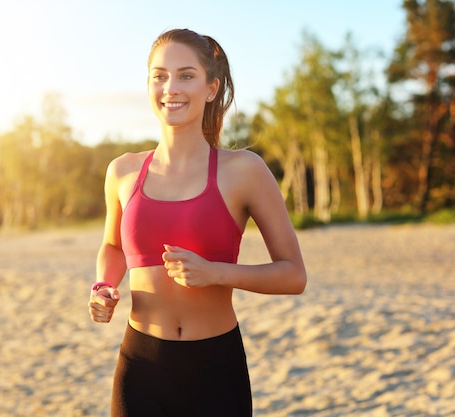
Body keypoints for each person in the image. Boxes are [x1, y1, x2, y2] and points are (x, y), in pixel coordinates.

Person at [88, 28, 307, 417]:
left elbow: (293, 275)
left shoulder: (244, 171)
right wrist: (104, 285)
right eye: (159, 75)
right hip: (141, 367)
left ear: (210, 87)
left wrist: (216, 273)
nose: (170, 87)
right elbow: (114, 246)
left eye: (186, 75)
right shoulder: (121, 171)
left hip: (215, 369)